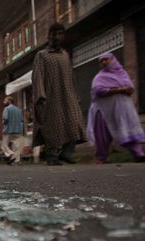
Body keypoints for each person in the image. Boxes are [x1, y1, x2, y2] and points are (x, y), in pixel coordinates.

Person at [32, 23, 86, 166]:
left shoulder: (65, 55)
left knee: (75, 122)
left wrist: (76, 95)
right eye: (54, 33)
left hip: (68, 95)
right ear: (49, 36)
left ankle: (66, 153)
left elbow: (71, 75)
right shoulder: (42, 55)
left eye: (60, 33)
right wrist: (40, 96)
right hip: (50, 97)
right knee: (53, 127)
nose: (57, 37)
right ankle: (52, 156)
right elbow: (37, 76)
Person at [87, 52, 145, 163]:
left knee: (126, 131)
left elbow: (130, 89)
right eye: (101, 61)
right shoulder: (100, 76)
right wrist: (120, 90)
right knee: (102, 136)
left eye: (105, 59)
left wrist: (127, 90)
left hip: (121, 110)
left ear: (113, 60)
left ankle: (139, 155)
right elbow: (98, 91)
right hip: (103, 111)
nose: (103, 62)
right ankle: (100, 158)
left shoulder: (122, 74)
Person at [1, 96, 24, 165]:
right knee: (16, 146)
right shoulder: (18, 110)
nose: (3, 102)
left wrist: (3, 124)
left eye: (5, 100)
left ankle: (10, 154)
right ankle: (15, 160)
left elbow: (5, 119)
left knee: (4, 145)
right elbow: (21, 120)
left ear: (10, 101)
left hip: (8, 129)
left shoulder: (7, 109)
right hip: (17, 130)